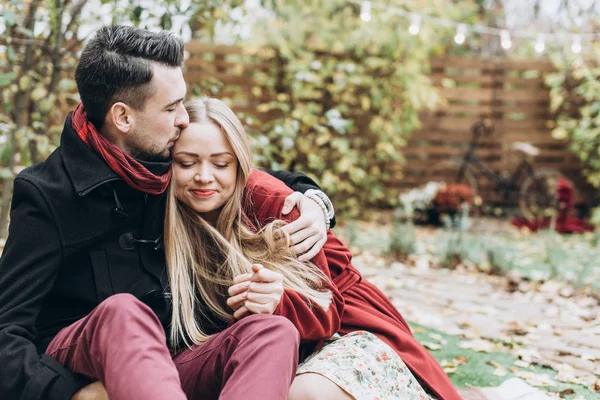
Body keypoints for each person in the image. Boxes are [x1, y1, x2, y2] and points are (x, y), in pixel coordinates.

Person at [0, 26, 335, 400]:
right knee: (124, 312)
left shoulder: (168, 164)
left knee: (272, 331)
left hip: (172, 366)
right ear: (123, 118)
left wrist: (312, 197)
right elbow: (6, 329)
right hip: (88, 360)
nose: (183, 119)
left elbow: (241, 172)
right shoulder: (48, 194)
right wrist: (71, 393)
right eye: (171, 107)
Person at [166, 97, 462, 400]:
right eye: (186, 163)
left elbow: (325, 305)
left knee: (304, 393)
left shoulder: (273, 202)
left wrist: (277, 301)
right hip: (265, 343)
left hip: (341, 327)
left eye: (220, 164)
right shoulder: (166, 210)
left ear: (240, 162)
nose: (204, 175)